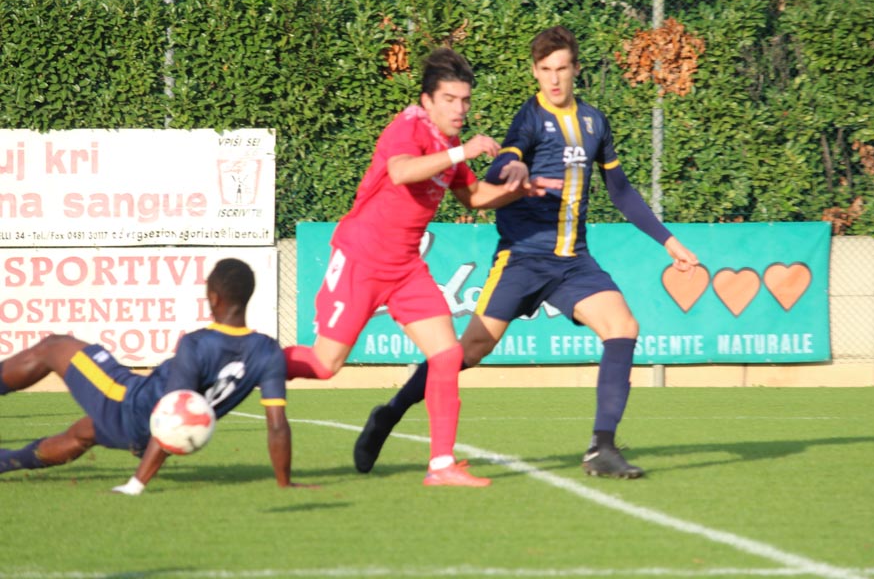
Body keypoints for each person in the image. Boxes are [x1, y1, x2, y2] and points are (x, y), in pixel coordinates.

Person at [353, 26, 700, 480]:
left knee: (623, 327)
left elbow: (620, 190)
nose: (554, 79)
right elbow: (507, 157)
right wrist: (513, 165)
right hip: (522, 257)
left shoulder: (595, 122)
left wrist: (669, 242)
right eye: (545, 70)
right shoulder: (531, 117)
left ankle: (602, 448)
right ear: (535, 72)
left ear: (576, 69)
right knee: (469, 350)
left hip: (573, 261)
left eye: (561, 69)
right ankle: (391, 413)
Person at [283, 47, 559, 487]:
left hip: (406, 268)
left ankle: (441, 465)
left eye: (465, 100)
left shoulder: (449, 143)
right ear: (427, 100)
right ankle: (243, 361)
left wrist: (520, 190)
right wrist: (464, 151)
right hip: (362, 258)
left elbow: (474, 197)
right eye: (449, 99)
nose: (459, 109)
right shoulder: (409, 126)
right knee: (323, 364)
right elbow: (401, 172)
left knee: (447, 355)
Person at [0, 257, 310, 495]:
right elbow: (277, 425)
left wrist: (137, 483)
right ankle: (6, 461)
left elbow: (172, 412)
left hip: (125, 402)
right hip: (145, 435)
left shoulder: (197, 343)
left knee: (53, 347)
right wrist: (284, 482)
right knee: (83, 433)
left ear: (214, 297)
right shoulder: (268, 350)